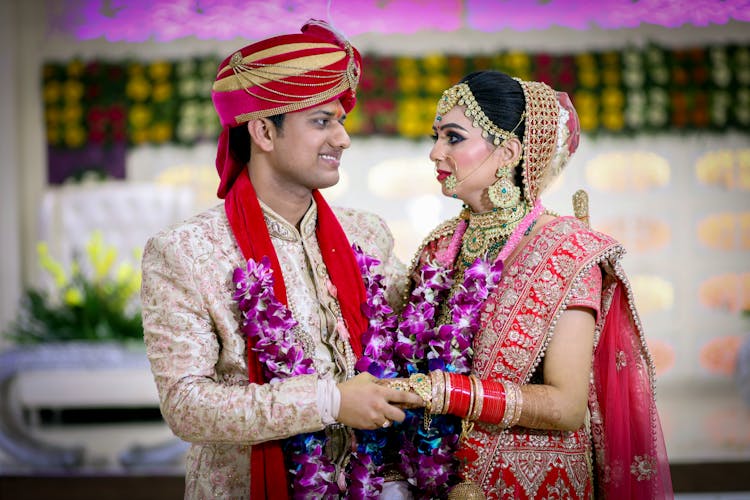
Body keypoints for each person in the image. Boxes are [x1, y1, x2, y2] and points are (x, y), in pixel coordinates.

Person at [140, 20, 421, 499]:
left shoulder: (365, 233)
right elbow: (185, 405)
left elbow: (426, 324)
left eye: (341, 120)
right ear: (264, 132)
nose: (342, 138)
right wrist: (326, 401)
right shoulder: (186, 251)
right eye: (321, 121)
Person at [382, 70, 673, 499]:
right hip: (434, 480)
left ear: (509, 152)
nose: (435, 152)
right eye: (435, 136)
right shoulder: (439, 248)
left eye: (453, 138)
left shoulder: (567, 250)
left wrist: (442, 391)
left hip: (532, 484)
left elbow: (566, 406)